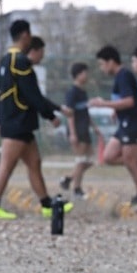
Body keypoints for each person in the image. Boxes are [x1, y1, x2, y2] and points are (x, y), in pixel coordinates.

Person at [0, 25, 73, 220]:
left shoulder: (6, 60)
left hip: (19, 122)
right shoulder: (19, 61)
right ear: (24, 35)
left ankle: (46, 204)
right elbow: (32, 94)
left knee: (34, 163)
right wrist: (50, 116)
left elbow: (2, 96)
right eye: (29, 35)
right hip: (17, 121)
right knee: (6, 165)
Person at [91, 46, 137, 213]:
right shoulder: (119, 77)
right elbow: (123, 102)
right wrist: (115, 110)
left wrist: (104, 103)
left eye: (102, 64)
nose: (101, 68)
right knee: (109, 157)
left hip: (134, 124)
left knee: (130, 162)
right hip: (125, 123)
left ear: (111, 61)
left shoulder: (124, 75)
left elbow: (129, 101)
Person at [59, 62, 100, 199]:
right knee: (81, 160)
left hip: (85, 129)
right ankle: (77, 190)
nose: (87, 75)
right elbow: (70, 114)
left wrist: (94, 127)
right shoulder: (72, 93)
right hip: (77, 130)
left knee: (90, 160)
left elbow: (85, 112)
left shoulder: (83, 92)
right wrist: (73, 134)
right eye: (84, 73)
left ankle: (68, 179)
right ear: (78, 75)